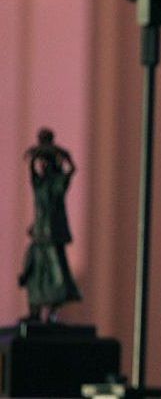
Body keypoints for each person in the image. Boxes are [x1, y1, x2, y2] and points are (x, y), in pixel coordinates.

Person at [19, 128, 82, 322]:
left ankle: (52, 311)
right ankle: (35, 310)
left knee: (57, 276)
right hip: (40, 235)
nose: (43, 165)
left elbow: (71, 171)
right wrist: (34, 157)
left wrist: (65, 157)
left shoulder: (56, 183)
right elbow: (32, 174)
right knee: (33, 273)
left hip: (52, 235)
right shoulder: (40, 184)